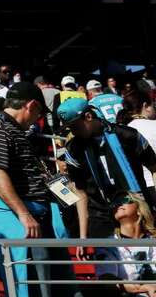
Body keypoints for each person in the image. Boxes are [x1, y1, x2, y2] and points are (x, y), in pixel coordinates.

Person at [0, 81, 93, 297]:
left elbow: (46, 182)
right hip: (26, 226)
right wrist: (23, 213)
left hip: (42, 223)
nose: (39, 119)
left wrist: (69, 194)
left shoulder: (19, 134)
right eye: (39, 112)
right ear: (31, 106)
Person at [58, 96, 156, 239]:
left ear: (88, 116)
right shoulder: (73, 149)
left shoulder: (127, 135)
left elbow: (154, 167)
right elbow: (80, 192)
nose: (72, 131)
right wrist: (83, 236)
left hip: (137, 208)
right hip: (100, 215)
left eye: (75, 126)